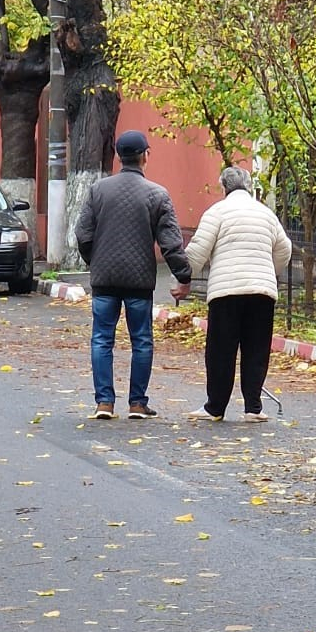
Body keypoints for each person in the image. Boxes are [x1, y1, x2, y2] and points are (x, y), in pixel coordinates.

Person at [74, 130, 192, 420]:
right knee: (141, 340)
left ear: (118, 157)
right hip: (139, 282)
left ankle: (104, 403)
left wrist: (96, 262)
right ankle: (137, 403)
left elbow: (82, 234)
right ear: (145, 156)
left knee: (102, 339)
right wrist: (183, 275)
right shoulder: (157, 194)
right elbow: (170, 243)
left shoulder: (97, 191)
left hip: (105, 281)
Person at [173, 167, 292, 423]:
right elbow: (284, 248)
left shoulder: (217, 212)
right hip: (262, 292)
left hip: (226, 292)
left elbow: (197, 252)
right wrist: (271, 272)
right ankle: (253, 408)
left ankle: (215, 407)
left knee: (221, 350)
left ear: (223, 187)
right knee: (256, 349)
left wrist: (184, 278)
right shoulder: (266, 214)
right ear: (249, 187)